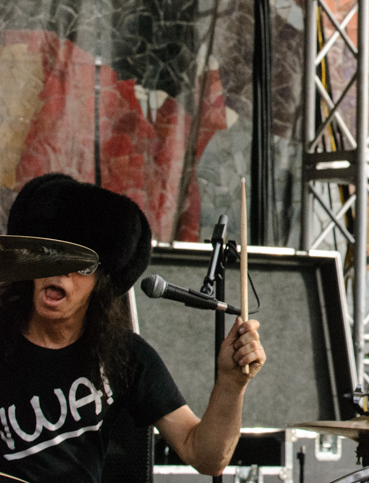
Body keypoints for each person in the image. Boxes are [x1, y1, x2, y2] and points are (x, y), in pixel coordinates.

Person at [0, 173, 266, 482]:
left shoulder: (125, 355)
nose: (61, 274)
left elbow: (205, 458)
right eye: (53, 257)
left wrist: (231, 385)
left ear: (102, 281)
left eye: (81, 265)